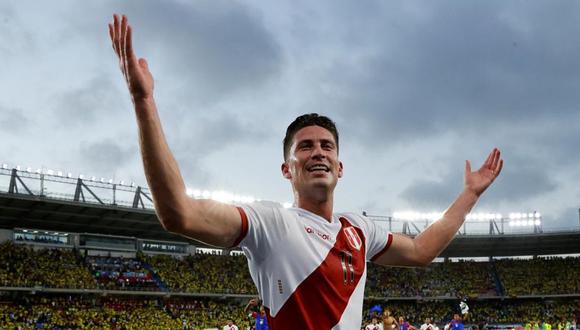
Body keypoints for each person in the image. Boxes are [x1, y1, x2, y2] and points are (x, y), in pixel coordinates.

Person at [108, 14, 504, 330]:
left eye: (327, 146)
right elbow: (178, 213)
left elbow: (421, 251)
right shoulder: (270, 224)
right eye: (305, 147)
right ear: (287, 169)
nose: (318, 153)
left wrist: (469, 195)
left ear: (340, 166)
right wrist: (144, 101)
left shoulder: (359, 230)